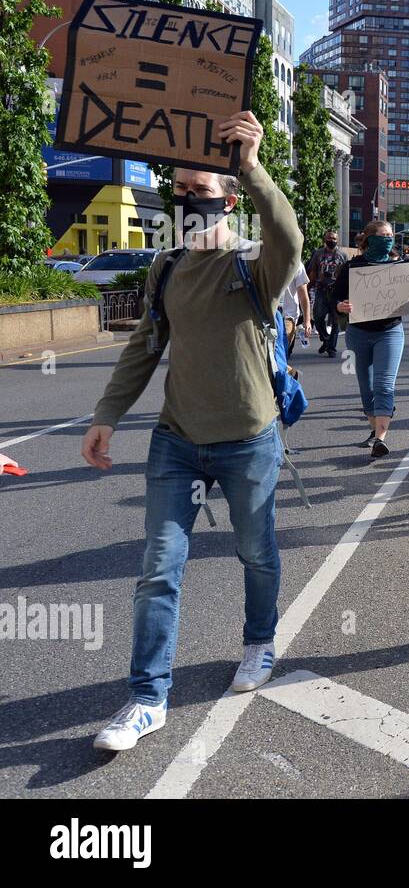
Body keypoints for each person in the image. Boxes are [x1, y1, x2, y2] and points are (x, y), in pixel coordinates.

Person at [82, 110, 304, 751]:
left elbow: (287, 234)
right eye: (178, 191)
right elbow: (144, 347)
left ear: (230, 198)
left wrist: (252, 164)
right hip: (176, 441)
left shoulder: (254, 262)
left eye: (199, 192)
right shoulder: (166, 266)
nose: (185, 200)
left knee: (256, 553)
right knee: (159, 567)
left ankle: (259, 642)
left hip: (250, 440)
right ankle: (147, 698)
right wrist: (105, 417)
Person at [332, 220, 409, 458]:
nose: (389, 239)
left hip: (390, 332)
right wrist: (340, 306)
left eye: (391, 235)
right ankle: (375, 431)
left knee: (384, 385)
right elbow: (335, 297)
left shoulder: (401, 268)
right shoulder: (354, 267)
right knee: (367, 388)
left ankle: (381, 438)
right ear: (370, 238)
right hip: (359, 334)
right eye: (383, 235)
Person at [306, 230, 346, 358]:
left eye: (334, 238)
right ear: (325, 239)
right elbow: (312, 272)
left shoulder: (342, 255)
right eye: (329, 238)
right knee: (318, 317)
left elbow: (346, 275)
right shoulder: (317, 254)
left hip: (336, 291)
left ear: (337, 240)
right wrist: (307, 288)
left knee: (336, 321)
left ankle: (332, 348)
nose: (332, 240)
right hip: (321, 290)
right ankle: (326, 339)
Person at [280, 261, 311, 375]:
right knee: (269, 355)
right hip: (267, 316)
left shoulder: (296, 264)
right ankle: (290, 374)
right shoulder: (265, 259)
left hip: (287, 317)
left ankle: (287, 379)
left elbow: (303, 296)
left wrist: (307, 321)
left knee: (279, 352)